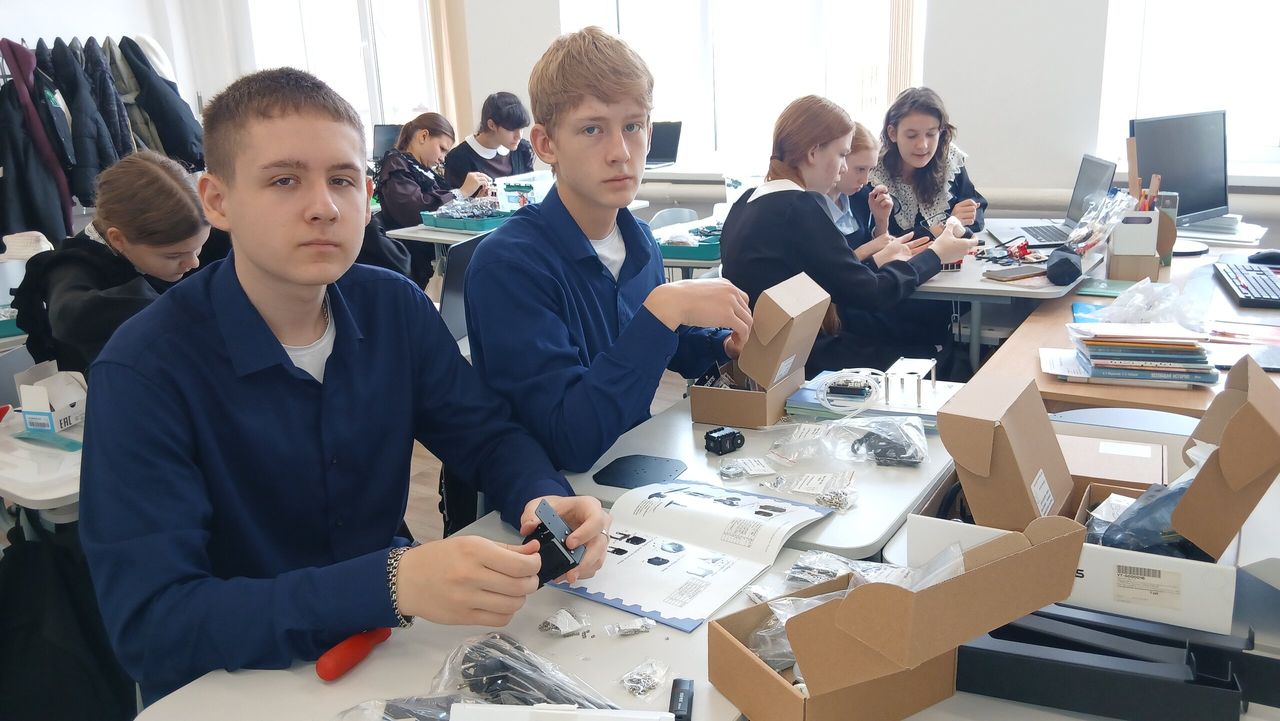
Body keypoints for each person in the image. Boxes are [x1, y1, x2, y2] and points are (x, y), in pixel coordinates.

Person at [78, 68, 610, 704]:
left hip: (387, 654)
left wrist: (543, 497)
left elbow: (486, 435)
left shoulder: (394, 307)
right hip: (234, 688)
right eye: (283, 180)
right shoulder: (143, 370)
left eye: (342, 179)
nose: (324, 207)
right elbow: (153, 625)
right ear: (216, 202)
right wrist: (389, 584)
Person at [464, 27, 752, 484]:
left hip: (635, 468)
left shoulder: (639, 240)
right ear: (546, 144)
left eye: (632, 127)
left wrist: (722, 345)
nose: (620, 153)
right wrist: (664, 309)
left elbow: (659, 344)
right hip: (557, 501)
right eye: (592, 129)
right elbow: (571, 441)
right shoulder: (508, 266)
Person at [719, 95, 974, 376]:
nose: (843, 168)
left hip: (768, 358)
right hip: (799, 362)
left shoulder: (747, 201)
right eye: (842, 154)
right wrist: (936, 255)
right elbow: (873, 294)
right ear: (813, 153)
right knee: (929, 354)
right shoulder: (799, 207)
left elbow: (828, 280)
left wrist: (877, 261)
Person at [13, 150, 209, 373]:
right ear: (118, 239)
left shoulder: (181, 238)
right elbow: (69, 317)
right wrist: (176, 306)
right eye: (174, 256)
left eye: (198, 247)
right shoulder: (72, 266)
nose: (193, 262)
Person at [374, 112, 490, 287]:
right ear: (423, 136)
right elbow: (417, 210)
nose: (442, 158)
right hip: (413, 260)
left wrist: (473, 201)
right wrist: (462, 192)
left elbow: (441, 205)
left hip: (431, 251)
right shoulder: (396, 167)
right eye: (442, 149)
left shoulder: (424, 171)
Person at [870, 87, 987, 239]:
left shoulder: (949, 159)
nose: (922, 145)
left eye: (931, 134)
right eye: (912, 136)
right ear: (892, 133)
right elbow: (880, 238)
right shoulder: (873, 172)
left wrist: (959, 220)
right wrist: (942, 227)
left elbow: (976, 208)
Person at [444, 91, 536, 188]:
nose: (519, 136)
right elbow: (453, 196)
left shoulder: (522, 149)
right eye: (512, 129)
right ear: (491, 125)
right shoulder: (457, 159)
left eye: (521, 128)